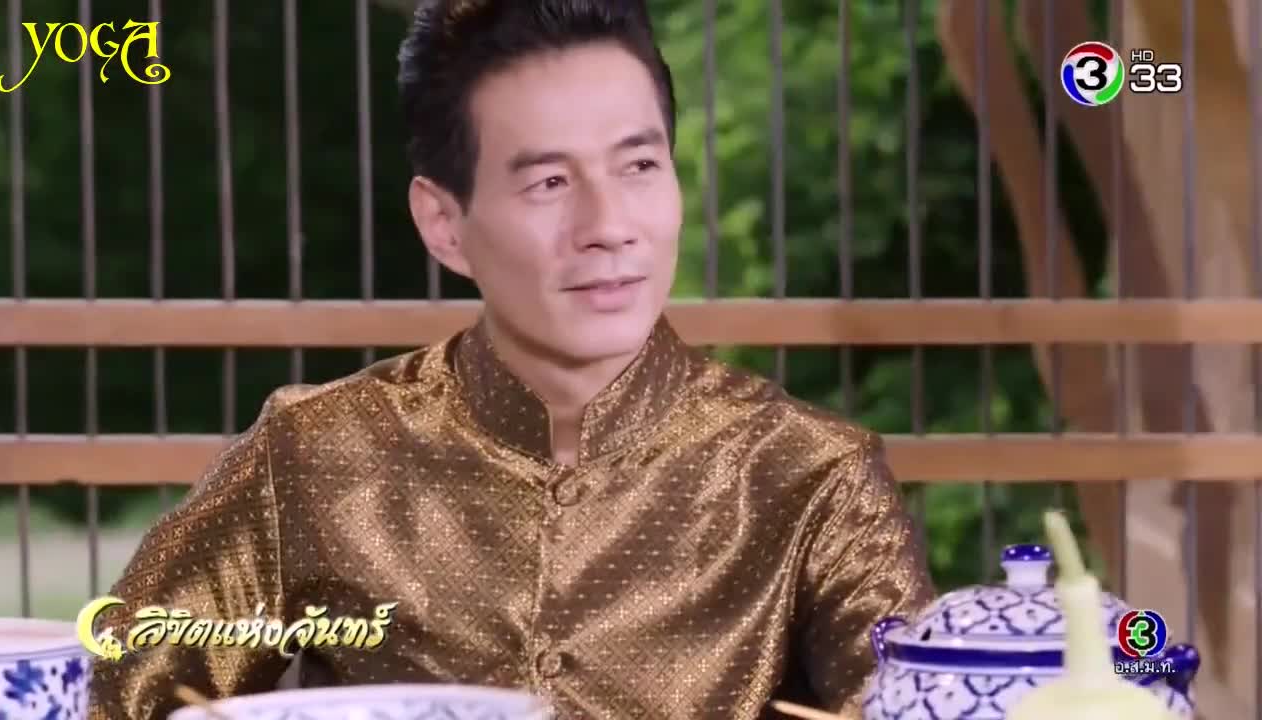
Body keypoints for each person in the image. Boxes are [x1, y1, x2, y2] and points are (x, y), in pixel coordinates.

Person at [88, 1, 934, 718]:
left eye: (640, 165)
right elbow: (119, 690)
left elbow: (914, 701)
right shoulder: (315, 453)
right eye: (549, 183)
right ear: (445, 224)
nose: (609, 225)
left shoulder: (811, 477)